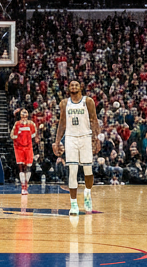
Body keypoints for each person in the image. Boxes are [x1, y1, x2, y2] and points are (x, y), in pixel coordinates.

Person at [55, 79, 100, 216]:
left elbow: (94, 119)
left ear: (80, 87)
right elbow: (62, 123)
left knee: (88, 169)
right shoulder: (64, 103)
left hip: (86, 137)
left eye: (76, 84)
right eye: (71, 85)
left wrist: (96, 138)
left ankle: (87, 192)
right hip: (71, 138)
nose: (74, 86)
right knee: (72, 171)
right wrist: (57, 142)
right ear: (69, 88)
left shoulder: (88, 101)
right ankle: (73, 204)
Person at [12, 108, 37, 195]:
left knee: (28, 166)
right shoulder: (17, 124)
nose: (24, 114)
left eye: (25, 112)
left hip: (28, 147)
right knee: (21, 167)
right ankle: (23, 186)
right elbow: (13, 136)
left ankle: (26, 183)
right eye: (22, 113)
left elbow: (34, 136)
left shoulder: (31, 124)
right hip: (19, 148)